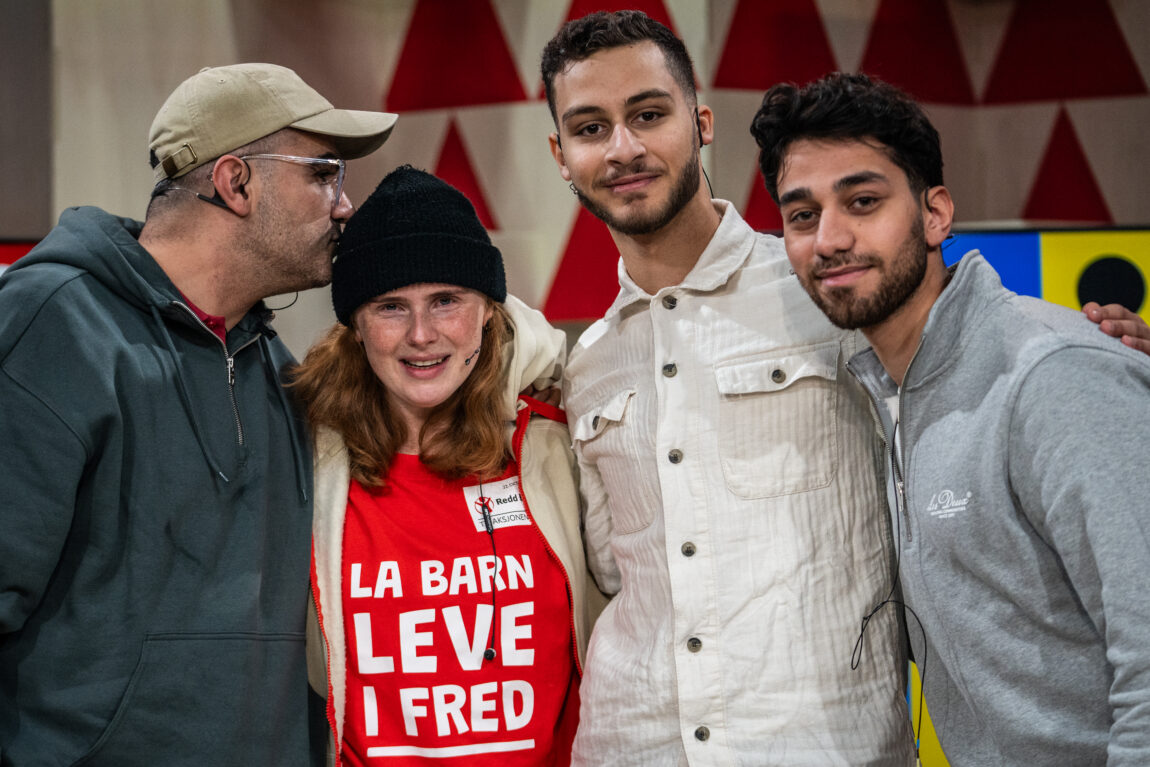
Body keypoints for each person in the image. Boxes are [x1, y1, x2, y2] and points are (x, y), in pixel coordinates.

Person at [541, 12, 914, 765]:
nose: (623, 148)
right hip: (632, 743)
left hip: (823, 746)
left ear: (702, 122)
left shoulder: (824, 291)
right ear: (560, 154)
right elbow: (613, 574)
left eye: (648, 114)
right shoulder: (587, 362)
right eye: (590, 127)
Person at [0, 63, 396, 765]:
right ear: (236, 182)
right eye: (323, 173)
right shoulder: (50, 326)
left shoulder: (277, 367)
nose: (343, 205)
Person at [752, 72, 1150, 765]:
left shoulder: (1052, 373)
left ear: (935, 214)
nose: (830, 238)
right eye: (802, 215)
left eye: (863, 200)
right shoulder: (882, 393)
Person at [291, 166, 604, 765]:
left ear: (488, 308)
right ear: (355, 327)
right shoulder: (305, 457)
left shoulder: (555, 438)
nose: (421, 335)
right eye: (389, 306)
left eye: (445, 301)